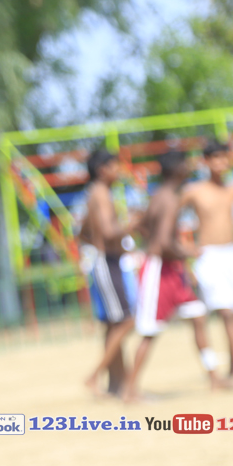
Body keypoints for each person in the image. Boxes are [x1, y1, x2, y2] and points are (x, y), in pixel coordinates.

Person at [123, 149, 221, 402]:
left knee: (197, 316)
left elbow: (143, 226)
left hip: (171, 270)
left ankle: (214, 378)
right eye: (185, 164)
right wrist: (188, 251)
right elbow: (166, 242)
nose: (189, 167)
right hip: (159, 271)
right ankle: (130, 389)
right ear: (176, 169)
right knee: (149, 332)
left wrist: (162, 246)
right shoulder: (169, 199)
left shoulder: (159, 196)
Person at [181, 139, 233, 382]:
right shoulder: (194, 191)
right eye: (215, 158)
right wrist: (187, 248)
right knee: (225, 310)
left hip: (232, 253)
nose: (220, 162)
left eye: (224, 157)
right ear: (206, 161)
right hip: (209, 256)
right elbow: (171, 218)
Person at [80, 148, 142, 396]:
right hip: (108, 262)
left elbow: (83, 231)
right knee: (127, 320)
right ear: (102, 169)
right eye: (115, 166)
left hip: (105, 260)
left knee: (113, 324)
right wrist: (133, 225)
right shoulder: (101, 193)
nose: (119, 171)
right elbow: (107, 232)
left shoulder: (94, 194)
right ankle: (94, 376)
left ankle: (117, 384)